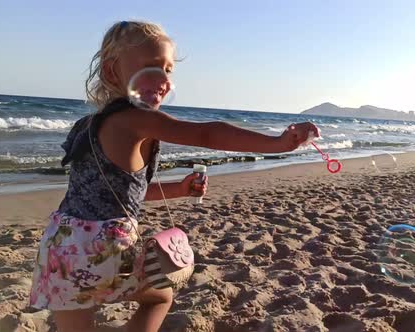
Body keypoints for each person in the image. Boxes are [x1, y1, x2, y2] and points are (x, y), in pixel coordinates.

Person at [28, 20, 318, 332]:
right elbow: (206, 134)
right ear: (113, 72)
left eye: (168, 70)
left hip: (62, 245)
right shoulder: (137, 119)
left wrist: (179, 189)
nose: (164, 79)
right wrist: (277, 144)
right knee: (159, 298)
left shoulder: (87, 125)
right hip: (108, 247)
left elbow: (117, 193)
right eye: (152, 67)